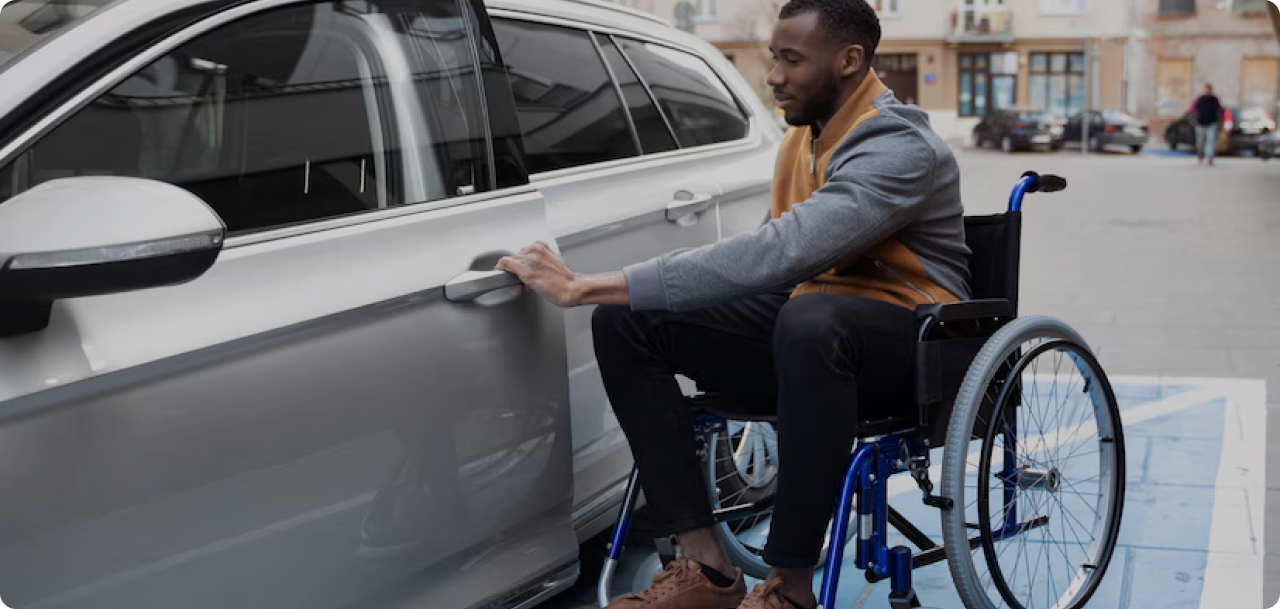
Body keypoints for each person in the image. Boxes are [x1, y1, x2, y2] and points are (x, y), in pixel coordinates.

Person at [496, 0, 971, 607]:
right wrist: (630, 300)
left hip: (910, 347)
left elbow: (783, 251)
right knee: (628, 321)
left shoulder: (900, 144)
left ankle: (789, 589)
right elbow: (772, 271)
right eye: (775, 58)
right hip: (809, 339)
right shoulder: (800, 140)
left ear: (849, 60)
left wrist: (586, 283)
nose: (773, 76)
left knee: (809, 319)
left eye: (791, 60)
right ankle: (709, 569)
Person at [1190, 84, 1224, 166]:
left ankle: (1210, 157)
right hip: (1200, 124)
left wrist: (1219, 121)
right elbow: (1193, 109)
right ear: (1204, 90)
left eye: (1209, 89)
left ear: (1211, 90)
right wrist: (1196, 118)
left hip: (1212, 124)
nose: (1207, 91)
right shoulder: (1199, 99)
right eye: (1206, 89)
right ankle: (1200, 155)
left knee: (1211, 141)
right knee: (1200, 142)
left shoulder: (1215, 100)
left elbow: (1220, 110)